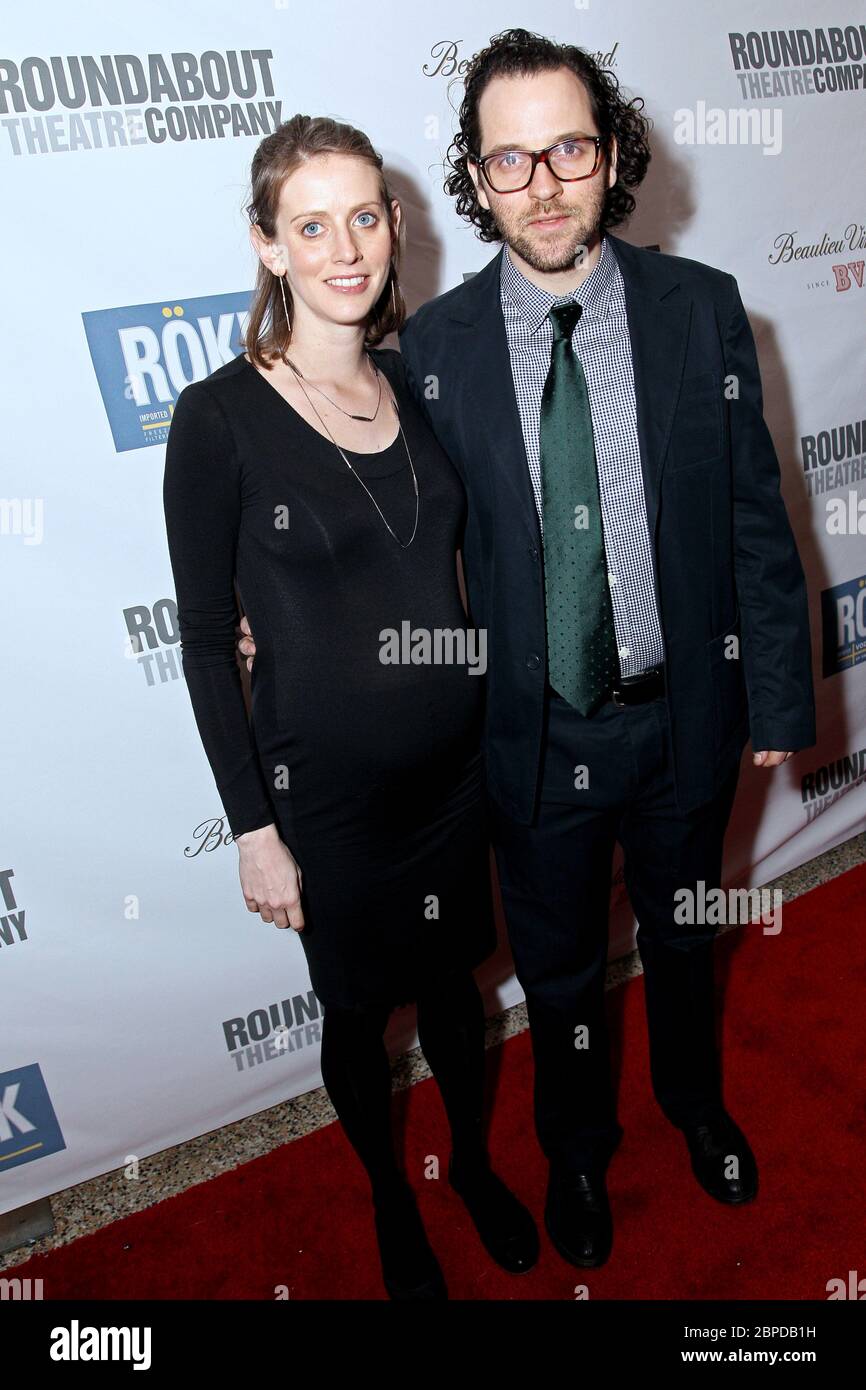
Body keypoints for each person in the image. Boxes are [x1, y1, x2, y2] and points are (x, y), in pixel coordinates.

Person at [240, 29, 817, 1272]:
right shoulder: (430, 354)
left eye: (566, 148)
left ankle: (696, 1105)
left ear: (608, 154)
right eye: (509, 160)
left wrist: (777, 684)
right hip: (530, 734)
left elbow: (756, 520)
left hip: (684, 718)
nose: (542, 183)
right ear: (475, 178)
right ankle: (572, 1151)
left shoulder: (700, 309)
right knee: (553, 974)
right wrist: (267, 609)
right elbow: (375, 528)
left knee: (682, 933)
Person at [162, 113, 538, 1301]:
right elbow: (201, 642)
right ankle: (390, 1200)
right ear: (267, 244)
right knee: (360, 1015)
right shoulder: (218, 419)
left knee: (456, 994)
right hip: (326, 806)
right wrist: (253, 828)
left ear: (393, 226)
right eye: (310, 224)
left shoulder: (414, 379)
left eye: (364, 216)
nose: (344, 247)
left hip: (453, 777)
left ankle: (470, 1166)